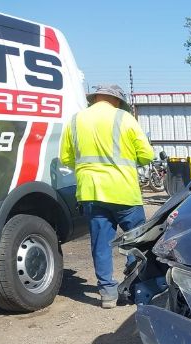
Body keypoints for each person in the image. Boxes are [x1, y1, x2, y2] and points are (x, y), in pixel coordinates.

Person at [60, 85, 154, 308]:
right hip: (123, 191)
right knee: (136, 242)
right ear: (117, 101)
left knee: (100, 243)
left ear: (94, 99)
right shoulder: (124, 118)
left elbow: (65, 158)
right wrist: (132, 163)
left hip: (91, 191)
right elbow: (147, 155)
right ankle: (134, 288)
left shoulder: (76, 120)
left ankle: (108, 294)